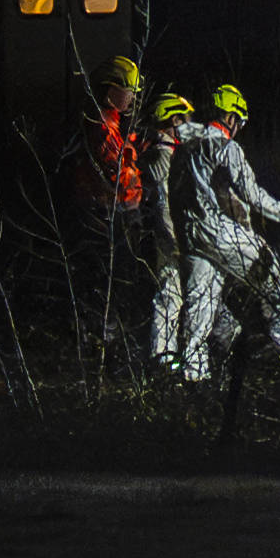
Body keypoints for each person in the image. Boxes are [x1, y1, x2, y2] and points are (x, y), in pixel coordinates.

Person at [171, 83, 280, 382]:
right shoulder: (226, 148)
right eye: (239, 121)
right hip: (219, 231)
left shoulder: (185, 147)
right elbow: (252, 196)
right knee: (275, 277)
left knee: (199, 305)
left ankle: (194, 376)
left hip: (191, 235)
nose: (240, 128)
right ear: (230, 117)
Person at [140, 92, 208, 370]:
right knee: (172, 296)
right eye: (186, 119)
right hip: (171, 239)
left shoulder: (168, 154)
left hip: (175, 236)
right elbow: (165, 205)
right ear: (174, 119)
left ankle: (168, 359)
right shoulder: (162, 156)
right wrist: (179, 242)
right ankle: (165, 360)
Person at [75, 54, 143, 215]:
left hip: (108, 208)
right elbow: (119, 174)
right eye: (129, 91)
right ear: (110, 89)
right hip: (110, 212)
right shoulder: (103, 128)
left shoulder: (110, 122)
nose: (133, 97)